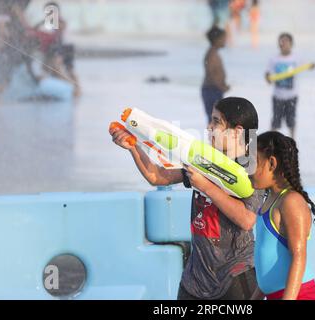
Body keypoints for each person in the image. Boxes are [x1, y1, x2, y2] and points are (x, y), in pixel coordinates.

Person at [109, 97, 265, 300]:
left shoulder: (253, 169)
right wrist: (133, 147)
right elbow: (157, 176)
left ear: (236, 131)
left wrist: (206, 186)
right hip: (195, 280)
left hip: (236, 277)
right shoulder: (203, 160)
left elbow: (246, 219)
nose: (209, 128)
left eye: (216, 122)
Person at [250, 131, 315, 300]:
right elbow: (265, 270)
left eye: (254, 162)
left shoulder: (291, 201)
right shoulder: (268, 202)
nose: (248, 170)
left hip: (300, 295)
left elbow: (299, 256)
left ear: (272, 163)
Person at [265, 33, 314, 139]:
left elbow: (307, 66)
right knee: (275, 121)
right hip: (278, 96)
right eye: (281, 41)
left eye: (286, 41)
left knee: (291, 121)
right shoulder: (274, 59)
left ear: (291, 44)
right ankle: (271, 141)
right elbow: (267, 74)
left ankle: (292, 140)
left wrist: (311, 66)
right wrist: (268, 79)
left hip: (292, 96)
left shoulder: (296, 58)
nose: (284, 43)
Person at [202, 26, 230, 123]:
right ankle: (213, 138)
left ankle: (215, 138)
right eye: (223, 39)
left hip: (214, 89)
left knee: (217, 120)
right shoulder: (212, 54)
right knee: (215, 121)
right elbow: (211, 75)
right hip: (211, 90)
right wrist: (221, 86)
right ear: (216, 40)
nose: (225, 41)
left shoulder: (214, 53)